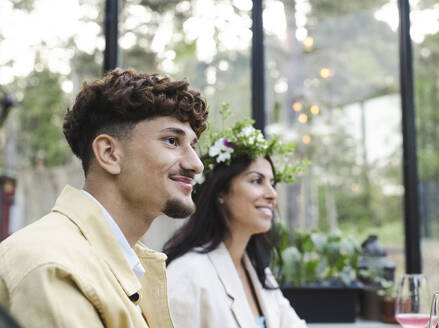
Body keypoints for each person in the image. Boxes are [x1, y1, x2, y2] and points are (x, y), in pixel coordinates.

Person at [0, 68, 208, 328]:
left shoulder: (129, 262)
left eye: (193, 145)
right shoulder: (52, 266)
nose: (196, 164)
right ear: (109, 153)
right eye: (171, 140)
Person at [163, 118, 307, 328]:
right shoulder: (187, 275)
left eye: (272, 183)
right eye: (257, 181)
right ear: (221, 192)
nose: (272, 194)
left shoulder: (259, 273)